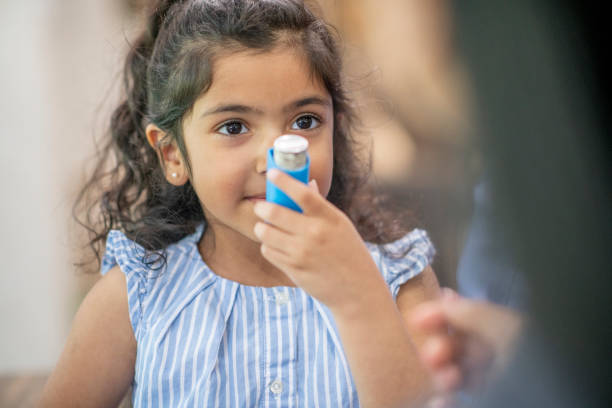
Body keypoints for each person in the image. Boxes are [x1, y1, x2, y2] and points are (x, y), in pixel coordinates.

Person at [39, 1, 441, 407]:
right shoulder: (138, 295)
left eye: (305, 120)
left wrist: (360, 296)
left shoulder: (400, 279)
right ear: (173, 156)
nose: (278, 156)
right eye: (234, 126)